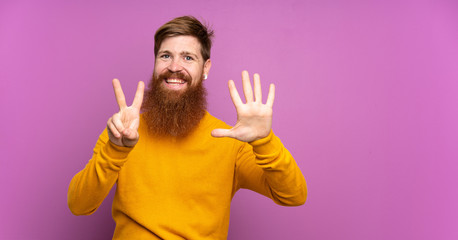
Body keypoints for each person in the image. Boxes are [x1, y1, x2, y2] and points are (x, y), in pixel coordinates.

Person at [68, 16, 307, 239]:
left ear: (206, 68)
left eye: (188, 58)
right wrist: (115, 150)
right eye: (165, 56)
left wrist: (263, 141)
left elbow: (294, 196)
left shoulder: (229, 141)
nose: (174, 67)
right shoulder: (122, 131)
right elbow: (79, 205)